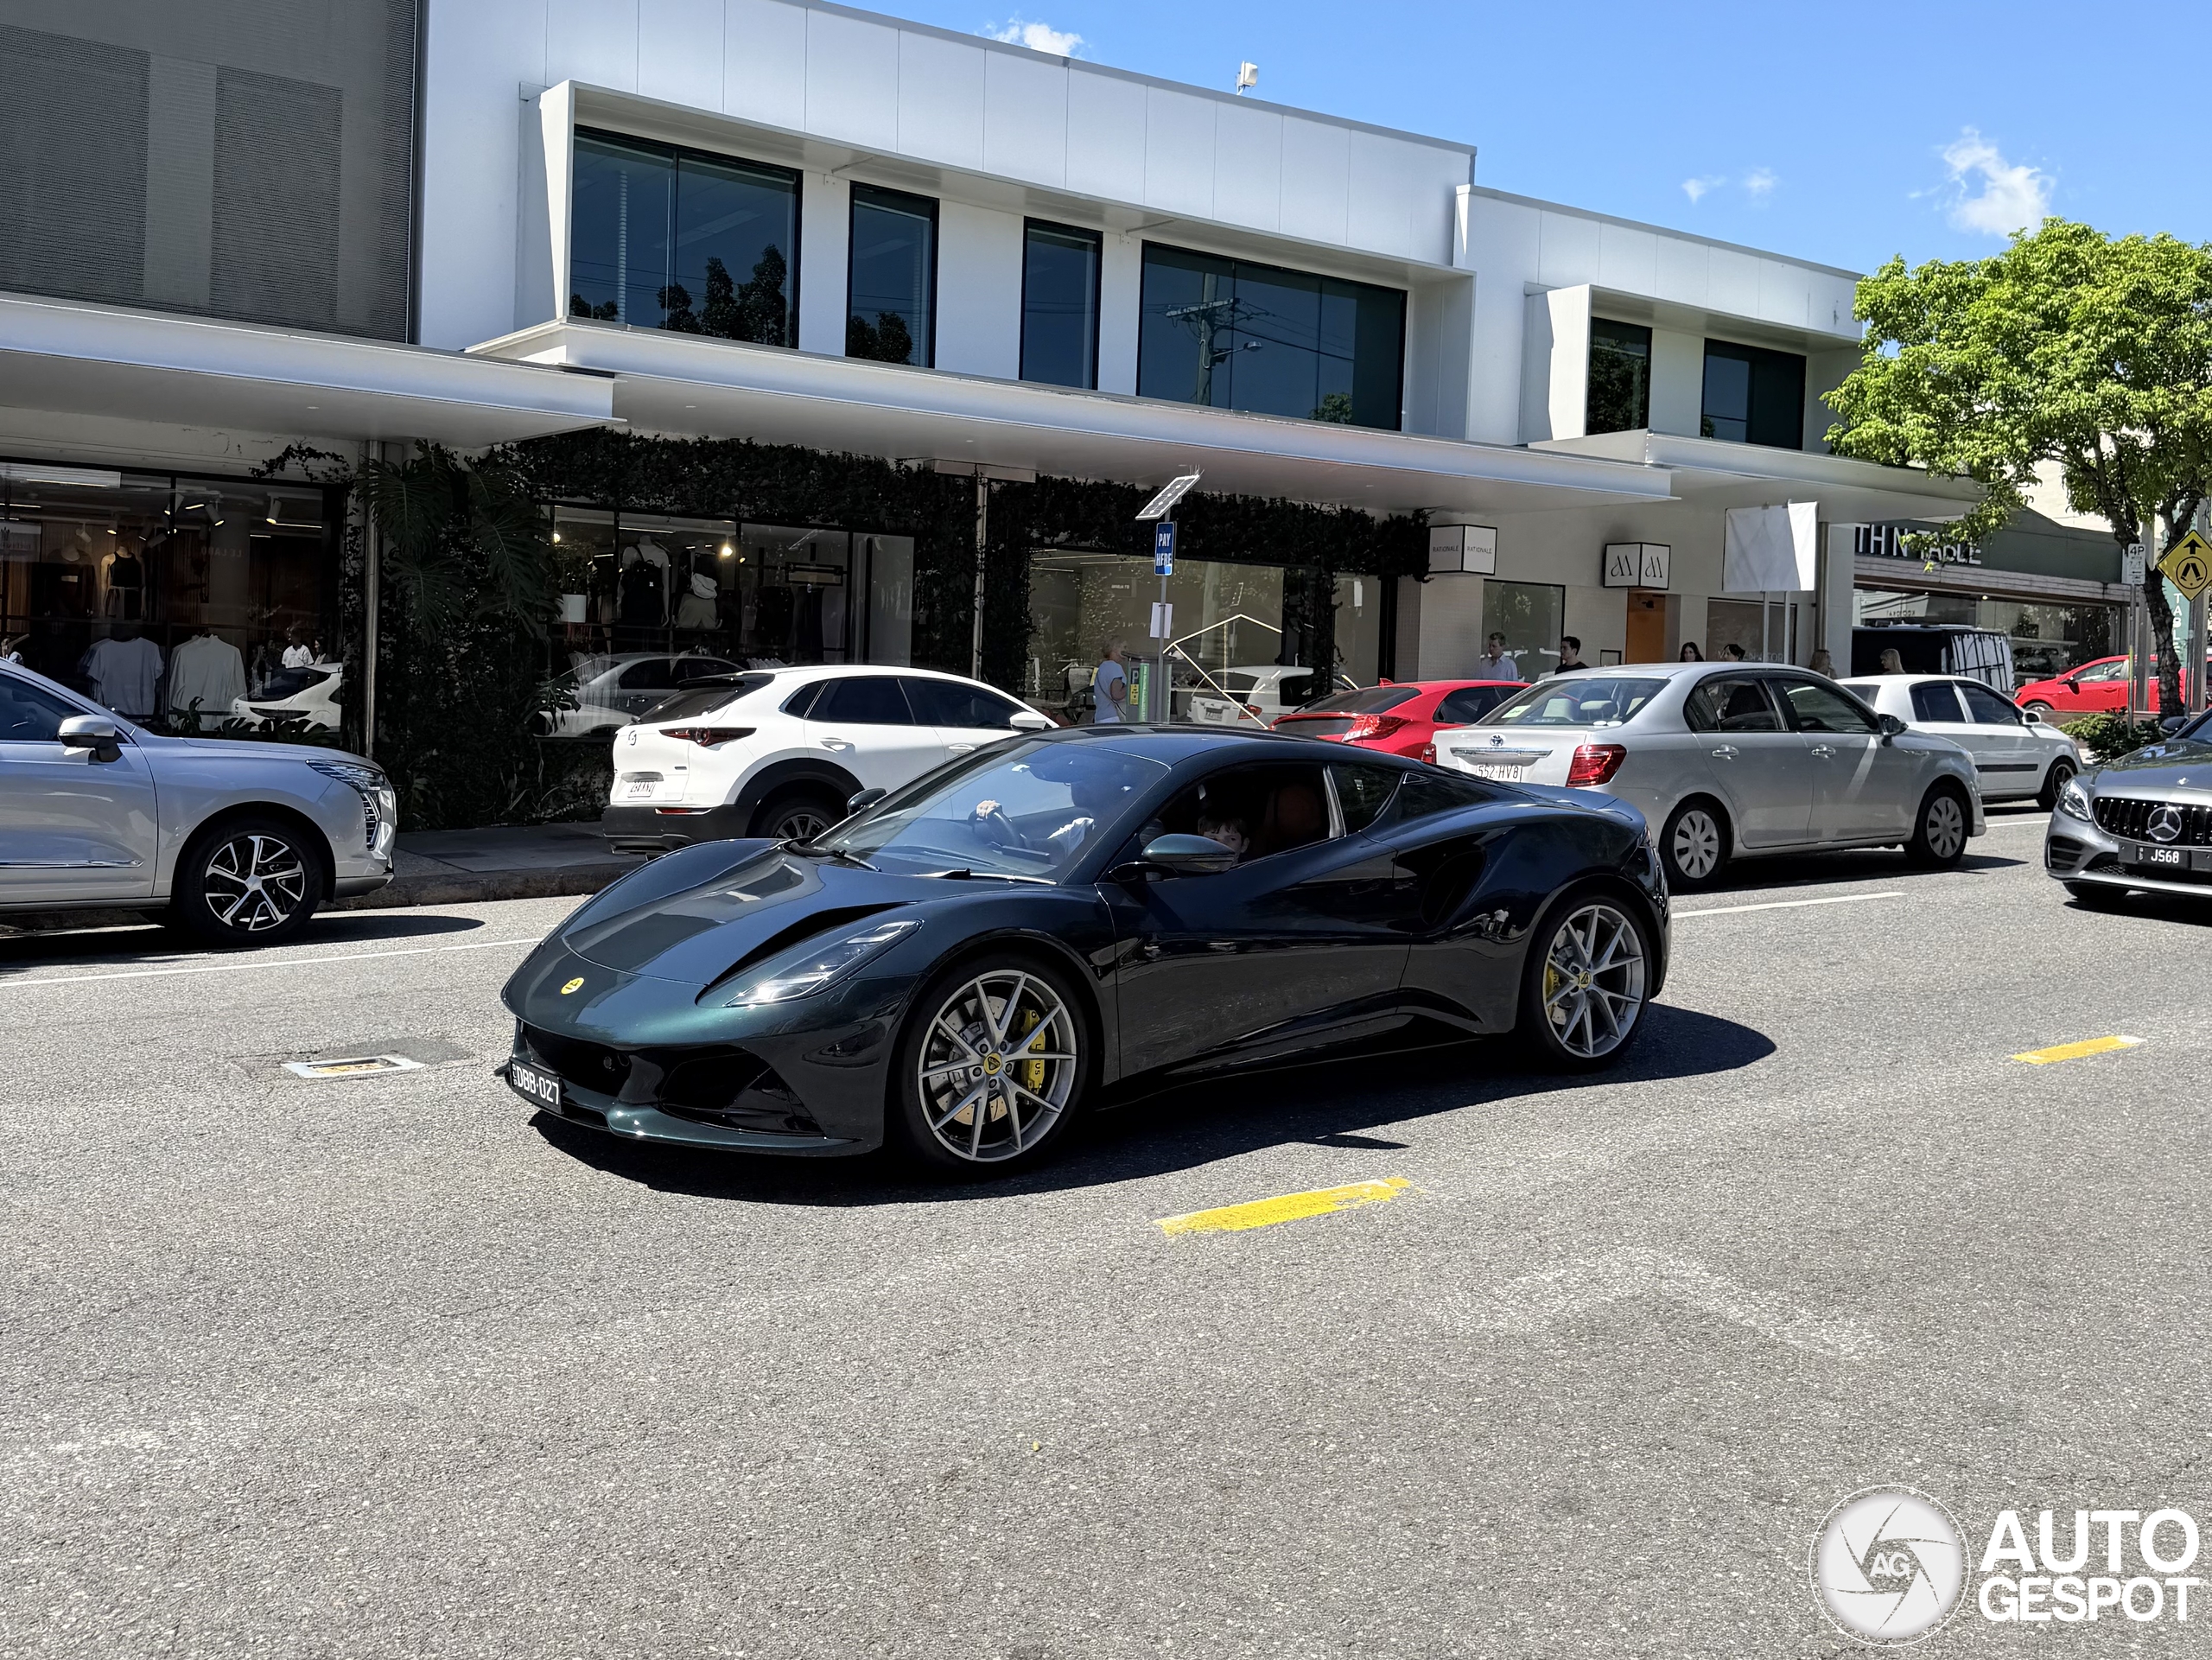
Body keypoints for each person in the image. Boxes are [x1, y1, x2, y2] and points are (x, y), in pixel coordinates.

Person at [1092, 639, 1129, 724]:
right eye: (1124, 647)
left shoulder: (1103, 667)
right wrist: (1132, 685)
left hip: (1101, 716)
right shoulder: (1115, 667)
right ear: (1115, 649)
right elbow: (1117, 695)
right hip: (1113, 718)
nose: (1127, 650)